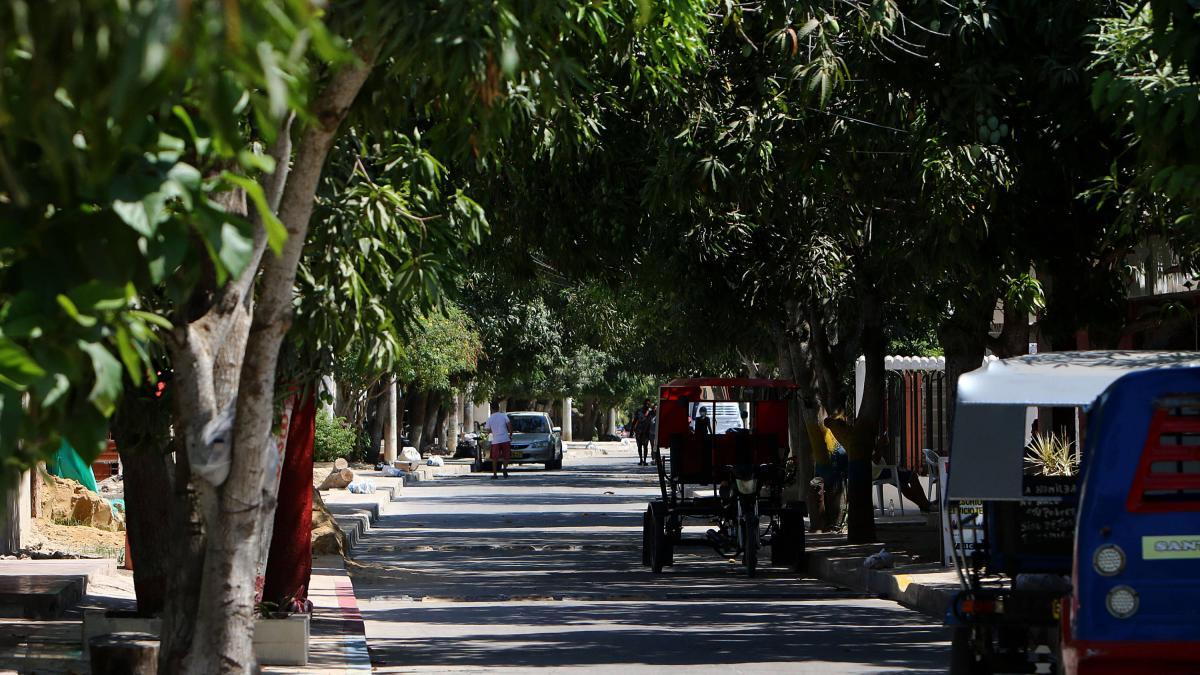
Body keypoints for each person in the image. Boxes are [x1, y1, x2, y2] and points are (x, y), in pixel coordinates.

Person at [871, 432, 931, 513]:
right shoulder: (864, 439)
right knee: (912, 476)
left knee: (903, 485)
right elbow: (875, 460)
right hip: (878, 471)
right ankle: (926, 504)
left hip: (877, 471)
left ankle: (923, 504)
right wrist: (880, 444)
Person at [484, 409, 513, 479]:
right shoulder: (504, 416)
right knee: (506, 456)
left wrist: (490, 432)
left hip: (495, 440)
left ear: (492, 409)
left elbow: (487, 430)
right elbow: (509, 426)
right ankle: (504, 469)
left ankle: (495, 474)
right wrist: (510, 435)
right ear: (498, 408)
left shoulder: (490, 418)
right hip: (505, 439)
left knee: (494, 458)